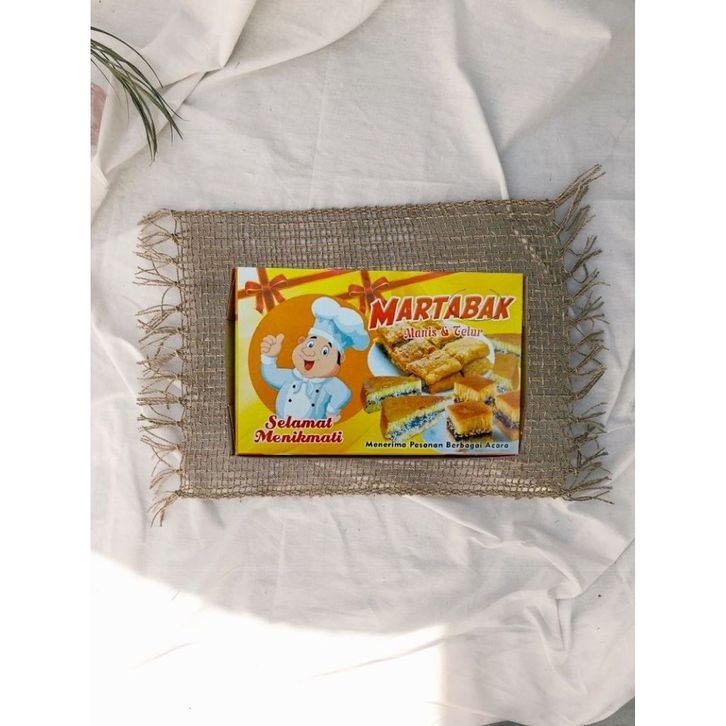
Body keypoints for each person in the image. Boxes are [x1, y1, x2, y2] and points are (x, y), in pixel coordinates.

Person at [260, 297, 369, 421]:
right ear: (301, 341)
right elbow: (271, 375)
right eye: (310, 344)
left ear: (341, 359)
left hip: (316, 429)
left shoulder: (329, 384)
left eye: (324, 351)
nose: (311, 352)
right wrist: (269, 356)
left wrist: (332, 411)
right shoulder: (291, 376)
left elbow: (343, 393)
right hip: (281, 426)